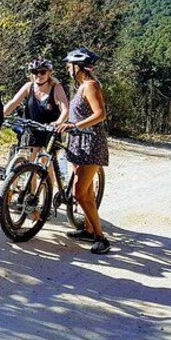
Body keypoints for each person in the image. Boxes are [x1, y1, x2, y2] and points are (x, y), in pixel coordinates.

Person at [55, 47, 111, 255]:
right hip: (79, 141)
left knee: (80, 192)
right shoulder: (81, 86)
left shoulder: (90, 85)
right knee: (85, 191)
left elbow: (100, 114)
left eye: (69, 65)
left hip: (91, 143)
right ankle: (88, 230)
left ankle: (101, 238)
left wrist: (76, 126)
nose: (68, 69)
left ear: (78, 67)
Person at [3, 57, 69, 183]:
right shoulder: (29, 87)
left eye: (42, 72)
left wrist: (59, 122)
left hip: (50, 131)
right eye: (34, 72)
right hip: (32, 129)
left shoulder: (56, 88)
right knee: (30, 163)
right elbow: (13, 103)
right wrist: (0, 116)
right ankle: (31, 196)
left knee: (45, 162)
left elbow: (65, 109)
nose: (39, 75)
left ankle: (46, 195)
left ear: (49, 73)